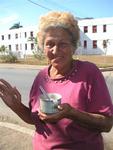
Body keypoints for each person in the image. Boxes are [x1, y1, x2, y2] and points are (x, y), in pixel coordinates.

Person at [0, 11, 113, 150]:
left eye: (63, 44)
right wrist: (15, 106)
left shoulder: (89, 72)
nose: (55, 50)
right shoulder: (41, 76)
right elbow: (35, 119)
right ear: (43, 47)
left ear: (73, 46)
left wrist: (71, 113)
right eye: (49, 44)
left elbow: (107, 124)